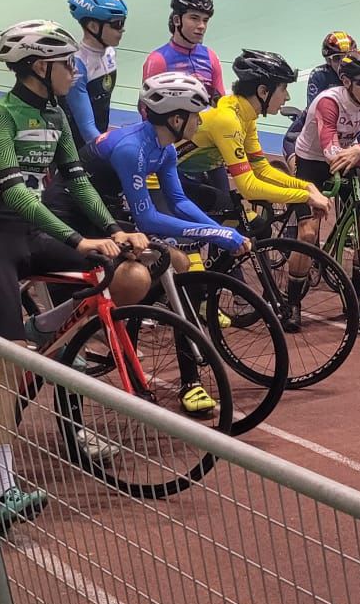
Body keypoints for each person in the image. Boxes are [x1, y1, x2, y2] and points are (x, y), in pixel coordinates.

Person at [0, 19, 151, 531]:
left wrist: (114, 228)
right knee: (5, 364)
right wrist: (76, 239)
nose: (74, 71)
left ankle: (45, 328)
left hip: (34, 237)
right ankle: (1, 487)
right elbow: (14, 191)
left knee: (128, 274)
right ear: (41, 67)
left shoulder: (56, 115)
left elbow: (78, 180)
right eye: (67, 63)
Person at [74, 72, 250, 416]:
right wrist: (216, 235)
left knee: (175, 266)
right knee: (168, 266)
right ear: (176, 118)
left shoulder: (163, 148)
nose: (200, 123)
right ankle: (119, 333)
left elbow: (179, 201)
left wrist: (220, 230)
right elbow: (149, 220)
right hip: (83, 216)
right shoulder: (131, 149)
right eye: (195, 115)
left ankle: (170, 362)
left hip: (111, 211)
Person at [177, 51, 334, 330]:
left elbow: (261, 169)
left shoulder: (245, 115)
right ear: (263, 91)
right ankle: (197, 292)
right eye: (283, 89)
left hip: (184, 178)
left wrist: (305, 184)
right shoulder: (228, 119)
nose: (286, 98)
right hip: (163, 182)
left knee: (256, 224)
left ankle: (210, 276)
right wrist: (305, 196)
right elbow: (249, 186)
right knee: (221, 224)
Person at [290, 48, 360, 318]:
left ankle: (357, 294)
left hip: (350, 158)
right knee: (307, 233)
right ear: (347, 81)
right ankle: (291, 302)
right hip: (313, 163)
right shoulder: (328, 102)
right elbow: (331, 153)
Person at [62, 0, 128, 151]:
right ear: (92, 26)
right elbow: (87, 127)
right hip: (76, 149)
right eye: (116, 24)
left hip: (97, 139)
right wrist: (111, 153)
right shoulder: (77, 66)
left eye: (123, 23)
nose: (122, 29)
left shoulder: (110, 53)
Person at [284, 30, 360, 157]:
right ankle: (295, 174)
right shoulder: (319, 75)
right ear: (328, 61)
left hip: (351, 123)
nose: (343, 63)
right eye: (337, 58)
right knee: (289, 141)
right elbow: (314, 110)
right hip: (324, 122)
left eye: (348, 57)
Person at [143, 0, 224, 98]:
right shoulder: (157, 60)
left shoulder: (211, 57)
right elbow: (146, 108)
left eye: (205, 20)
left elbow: (221, 102)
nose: (202, 26)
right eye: (194, 18)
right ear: (177, 20)